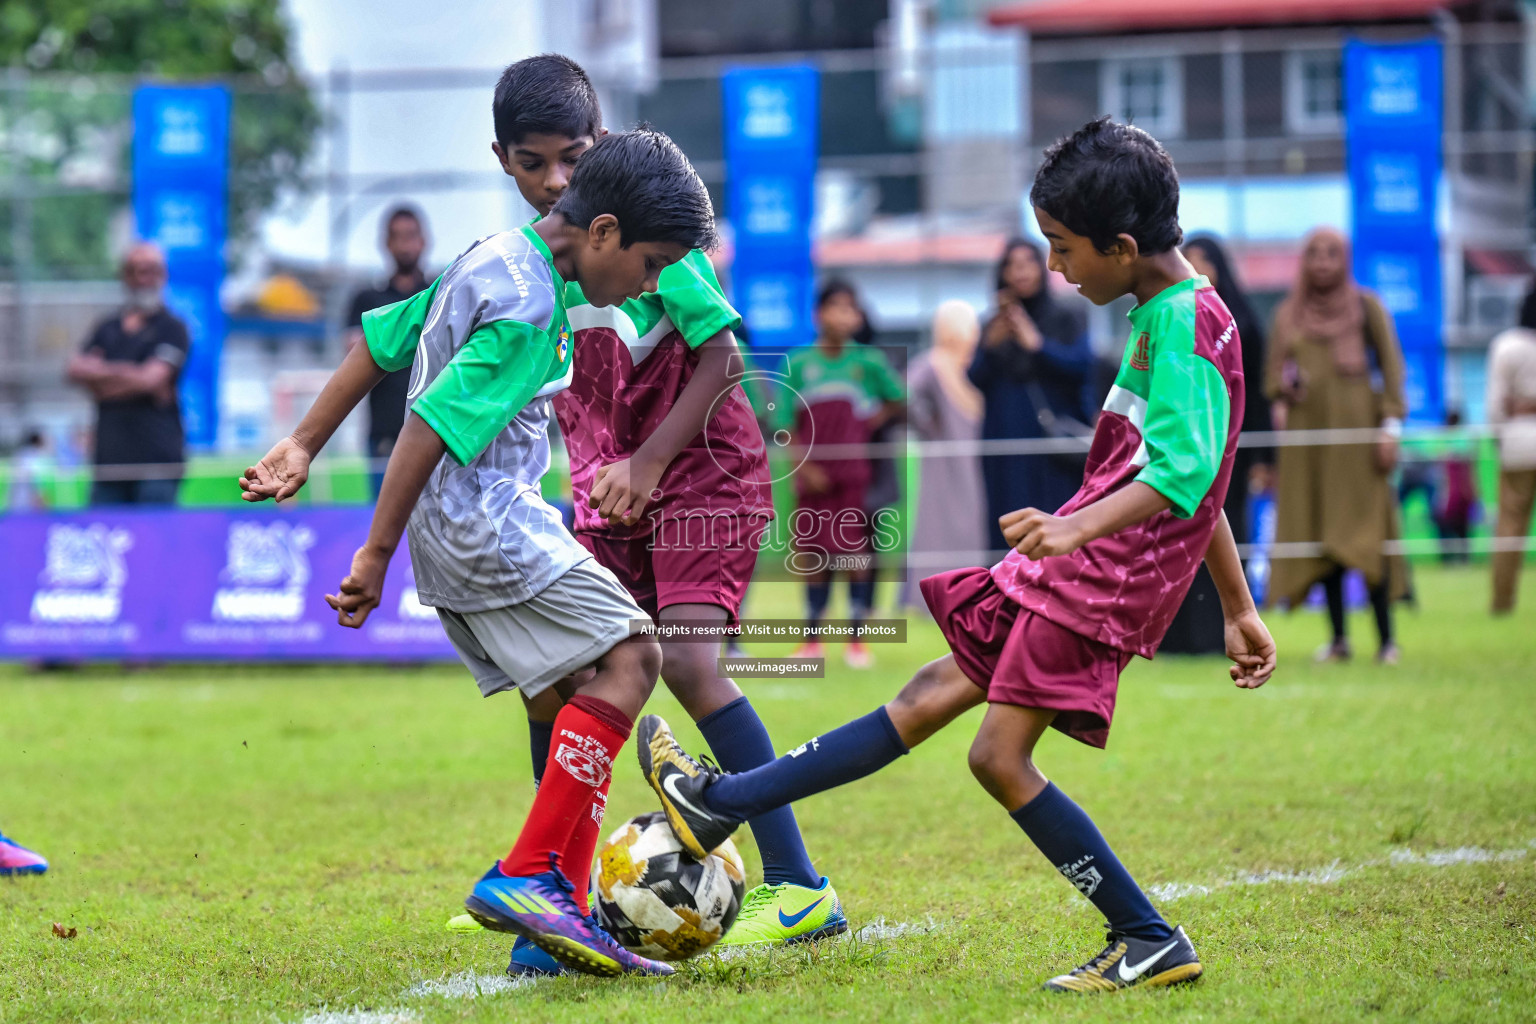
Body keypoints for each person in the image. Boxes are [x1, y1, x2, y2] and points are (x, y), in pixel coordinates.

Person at [637, 117, 1276, 994]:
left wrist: (1072, 531)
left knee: (996, 759)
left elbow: (1182, 479)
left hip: (1098, 578)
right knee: (926, 693)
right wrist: (1239, 609)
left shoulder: (1193, 328)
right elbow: (1195, 487)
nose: (1055, 268)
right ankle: (722, 805)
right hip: (1075, 563)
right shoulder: (1165, 314)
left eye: (1063, 249)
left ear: (1123, 246)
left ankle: (1147, 934)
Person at [239, 127, 718, 979]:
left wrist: (306, 445)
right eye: (650, 264)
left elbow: (384, 342)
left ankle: (551, 933)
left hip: (465, 521)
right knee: (634, 658)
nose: (650, 285)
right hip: (483, 518)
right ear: (603, 232)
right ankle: (531, 878)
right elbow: (429, 423)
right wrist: (373, 557)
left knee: (570, 692)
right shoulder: (530, 305)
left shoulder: (496, 254)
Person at [492, 54, 848, 957]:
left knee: (689, 665)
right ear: (505, 163)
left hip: (699, 474)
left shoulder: (646, 232)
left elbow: (725, 357)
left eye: (573, 156)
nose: (556, 180)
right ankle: (552, 899)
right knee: (573, 682)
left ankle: (801, 887)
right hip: (608, 485)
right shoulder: (533, 265)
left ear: (600, 142)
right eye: (535, 164)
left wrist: (650, 463)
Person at [1265, 227, 1409, 665]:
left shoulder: (1366, 307)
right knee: (1322, 538)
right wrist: (1286, 389)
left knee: (1370, 534)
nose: (1323, 262)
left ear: (1345, 258)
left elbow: (1392, 369)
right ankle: (1339, 639)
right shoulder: (1289, 313)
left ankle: (1386, 641)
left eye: (1332, 253)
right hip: (1309, 445)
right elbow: (1271, 379)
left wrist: (1390, 429)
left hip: (1358, 443)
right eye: (1314, 253)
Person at [780, 280, 905, 669]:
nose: (843, 315)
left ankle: (856, 641)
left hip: (854, 475)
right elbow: (785, 424)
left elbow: (899, 399)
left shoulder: (867, 362)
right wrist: (804, 465)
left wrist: (868, 422)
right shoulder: (799, 363)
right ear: (819, 315)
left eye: (850, 308)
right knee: (813, 555)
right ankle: (812, 641)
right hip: (812, 477)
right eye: (835, 307)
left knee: (854, 554)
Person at [1161, 235, 1274, 654]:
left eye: (1205, 261)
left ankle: (1224, 624)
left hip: (1231, 450)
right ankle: (1176, 636)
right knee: (1178, 529)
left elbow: (1257, 395)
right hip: (1182, 448)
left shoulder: (1237, 323)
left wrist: (1265, 456)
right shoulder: (1170, 319)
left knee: (1224, 527)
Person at [970, 239, 1095, 556]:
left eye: (1027, 263)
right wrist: (990, 347)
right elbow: (974, 379)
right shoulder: (993, 324)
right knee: (1005, 517)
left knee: (1055, 515)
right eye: (1012, 264)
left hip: (1052, 443)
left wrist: (1036, 344)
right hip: (1005, 438)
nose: (1020, 272)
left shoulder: (1066, 316)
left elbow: (1080, 366)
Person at [65, 243, 189, 506]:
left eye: (150, 270)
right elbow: (74, 369)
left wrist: (100, 377)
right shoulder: (106, 327)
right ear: (124, 275)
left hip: (157, 465)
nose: (142, 278)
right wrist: (136, 378)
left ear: (162, 275)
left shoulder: (173, 328)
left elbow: (152, 379)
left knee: (154, 542)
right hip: (108, 465)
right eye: (134, 270)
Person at [344, 206, 430, 497]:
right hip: (384, 434)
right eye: (398, 237)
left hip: (436, 428)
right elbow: (354, 357)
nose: (405, 245)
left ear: (424, 240)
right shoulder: (367, 300)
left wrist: (388, 340)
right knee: (384, 526)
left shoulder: (439, 294)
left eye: (411, 236)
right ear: (386, 243)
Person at [905, 299, 987, 599]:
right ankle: (934, 593)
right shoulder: (933, 363)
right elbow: (906, 397)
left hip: (980, 460)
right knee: (936, 524)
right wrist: (928, 423)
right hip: (942, 461)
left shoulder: (980, 364)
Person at [1486, 286, 1536, 612]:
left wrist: (1498, 435)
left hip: (1518, 444)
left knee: (1510, 527)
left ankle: (1503, 601)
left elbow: (1495, 406)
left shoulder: (1507, 345)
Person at [8, 430, 54, 511]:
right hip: (25, 497)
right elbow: (32, 477)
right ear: (39, 441)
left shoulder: (27, 454)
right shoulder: (31, 456)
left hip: (26, 497)